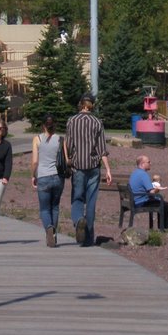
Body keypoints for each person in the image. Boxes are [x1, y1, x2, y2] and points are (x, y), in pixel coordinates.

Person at [65, 92, 113, 247]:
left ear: (80, 103)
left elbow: (68, 144)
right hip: (93, 167)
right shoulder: (97, 122)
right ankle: (88, 238)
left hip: (78, 166)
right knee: (91, 201)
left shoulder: (72, 121)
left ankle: (79, 220)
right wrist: (108, 169)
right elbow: (102, 149)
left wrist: (69, 159)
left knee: (77, 198)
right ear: (92, 105)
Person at [31, 114, 63, 247]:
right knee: (54, 207)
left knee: (44, 209)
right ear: (54, 125)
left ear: (43, 125)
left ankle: (48, 228)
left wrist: (33, 175)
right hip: (57, 177)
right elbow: (65, 159)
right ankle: (53, 234)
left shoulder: (37, 139)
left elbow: (34, 161)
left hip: (43, 177)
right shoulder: (61, 139)